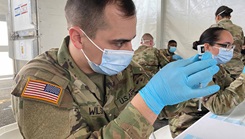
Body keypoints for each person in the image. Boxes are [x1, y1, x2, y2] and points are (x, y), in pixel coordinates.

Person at [10, 0, 220, 138]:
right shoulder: (40, 83)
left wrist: (182, 90)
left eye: (131, 40)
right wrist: (151, 99)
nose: (130, 51)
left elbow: (160, 108)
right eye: (119, 43)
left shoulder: (126, 68)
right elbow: (149, 103)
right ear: (78, 37)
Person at [168, 27, 245, 138]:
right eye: (226, 45)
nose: (230, 50)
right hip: (188, 125)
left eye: (232, 46)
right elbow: (217, 105)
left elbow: (228, 88)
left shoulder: (215, 65)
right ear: (207, 47)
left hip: (206, 117)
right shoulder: (198, 69)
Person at [210, 5, 244, 79]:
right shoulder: (239, 29)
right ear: (229, 17)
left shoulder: (214, 28)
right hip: (237, 68)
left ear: (218, 17)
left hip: (220, 70)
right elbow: (242, 47)